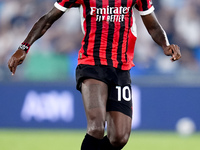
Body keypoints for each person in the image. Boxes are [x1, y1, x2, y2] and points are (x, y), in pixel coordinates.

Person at [8, 0, 181, 149]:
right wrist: (23, 47)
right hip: (91, 65)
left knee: (119, 138)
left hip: (121, 69)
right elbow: (48, 19)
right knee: (96, 127)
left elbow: (152, 24)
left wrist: (165, 45)